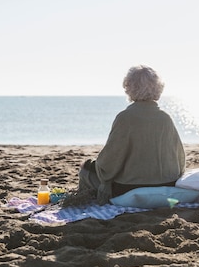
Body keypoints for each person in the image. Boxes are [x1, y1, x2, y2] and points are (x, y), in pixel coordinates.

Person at [78, 65, 186, 205]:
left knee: (85, 169)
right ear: (158, 88)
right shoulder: (165, 118)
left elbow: (110, 161)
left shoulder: (125, 117)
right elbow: (180, 158)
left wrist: (91, 165)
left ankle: (86, 203)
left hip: (128, 188)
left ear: (129, 87)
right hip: (167, 185)